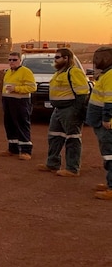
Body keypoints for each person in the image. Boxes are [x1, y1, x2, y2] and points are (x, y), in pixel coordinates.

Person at [38, 47, 90, 177]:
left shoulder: (74, 72)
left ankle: (72, 168)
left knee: (72, 138)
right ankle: (52, 164)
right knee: (54, 136)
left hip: (70, 110)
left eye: (57, 57)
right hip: (58, 109)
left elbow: (82, 93)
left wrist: (77, 111)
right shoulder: (59, 73)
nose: (54, 60)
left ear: (66, 58)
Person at [85, 45, 112, 200]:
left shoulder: (110, 76)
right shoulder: (105, 74)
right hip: (100, 122)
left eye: (99, 58)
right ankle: (109, 183)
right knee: (107, 154)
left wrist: (106, 118)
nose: (96, 61)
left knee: (110, 155)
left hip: (106, 124)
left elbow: (110, 100)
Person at [0, 52, 36, 160]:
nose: (11, 62)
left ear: (20, 61)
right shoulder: (8, 72)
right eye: (10, 60)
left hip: (20, 102)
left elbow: (32, 88)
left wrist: (16, 89)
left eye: (14, 60)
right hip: (8, 102)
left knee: (22, 125)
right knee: (9, 125)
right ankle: (13, 148)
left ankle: (26, 150)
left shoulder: (26, 72)